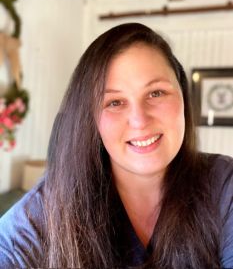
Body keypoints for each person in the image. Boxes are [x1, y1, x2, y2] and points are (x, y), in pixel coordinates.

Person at [0, 23, 232, 269]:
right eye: (115, 102)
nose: (140, 120)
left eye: (156, 93)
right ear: (90, 120)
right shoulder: (42, 216)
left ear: (184, 97)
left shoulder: (222, 184)